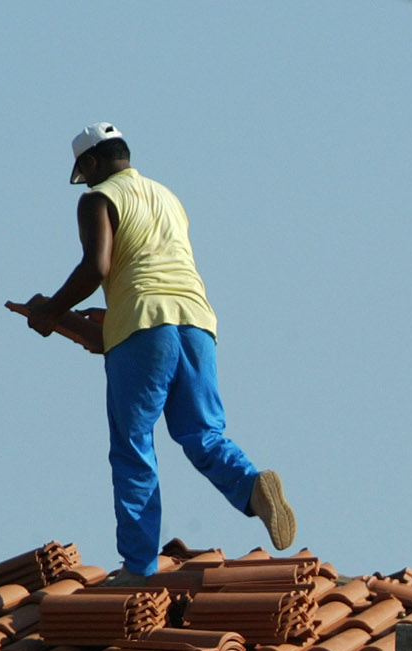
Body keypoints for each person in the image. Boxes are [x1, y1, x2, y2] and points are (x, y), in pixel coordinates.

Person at [19, 123, 295, 583]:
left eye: (84, 174)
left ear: (91, 163)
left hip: (144, 326)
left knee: (133, 446)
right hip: (197, 323)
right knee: (202, 433)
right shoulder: (168, 197)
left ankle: (139, 567)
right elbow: (149, 269)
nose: (84, 184)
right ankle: (252, 486)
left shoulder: (98, 198)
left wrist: (51, 311)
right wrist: (101, 318)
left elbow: (97, 267)